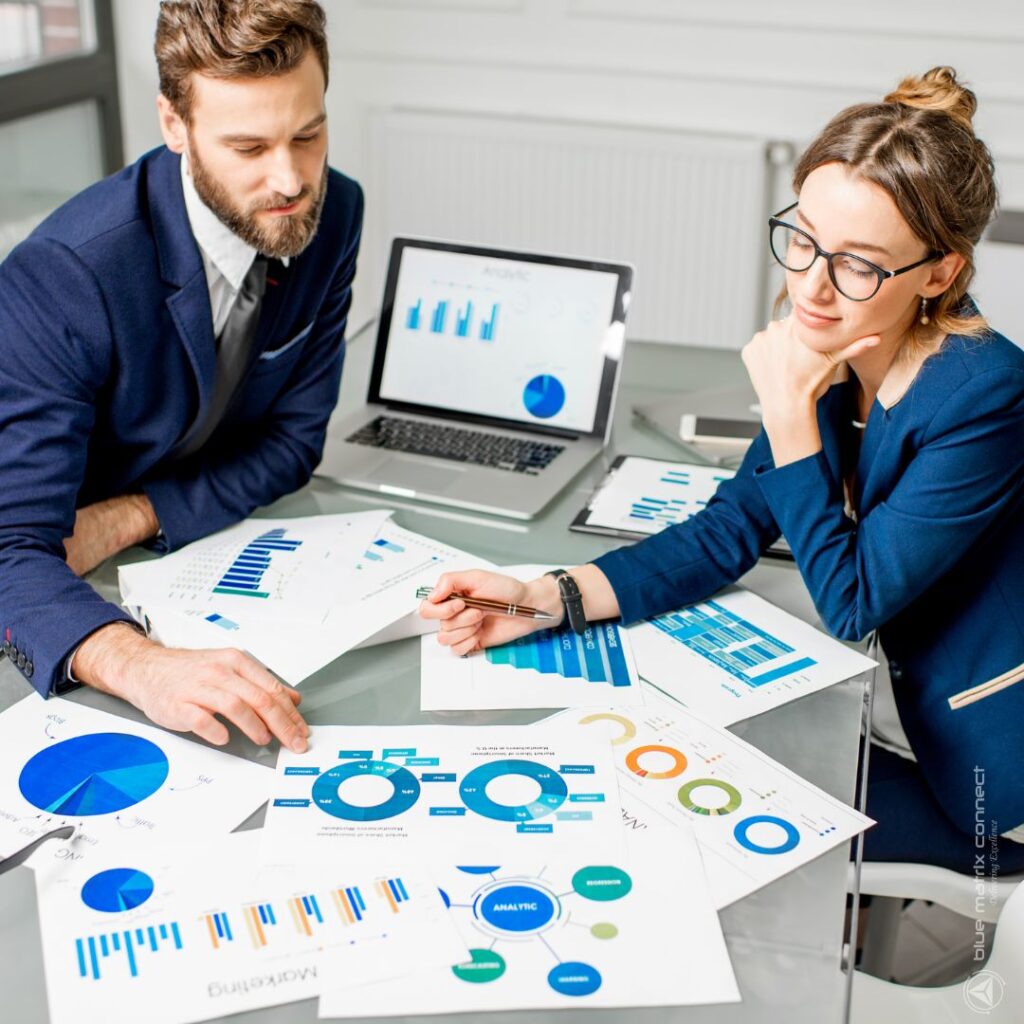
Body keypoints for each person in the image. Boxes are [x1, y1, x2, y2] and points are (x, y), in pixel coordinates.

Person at [421, 67, 1024, 873]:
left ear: (940, 273)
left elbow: (853, 602)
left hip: (981, 773)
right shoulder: (836, 343)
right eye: (804, 239)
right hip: (885, 707)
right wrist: (547, 599)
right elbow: (729, 528)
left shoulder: (986, 395)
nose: (811, 286)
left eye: (858, 264)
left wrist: (788, 415)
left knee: (684, 826)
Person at [0, 0, 364, 754]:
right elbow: (9, 549)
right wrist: (137, 662)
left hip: (171, 558)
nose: (290, 179)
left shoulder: (334, 214)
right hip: (58, 601)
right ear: (174, 125)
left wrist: (131, 516)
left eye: (308, 135)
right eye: (248, 147)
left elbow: (293, 445)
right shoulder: (66, 274)